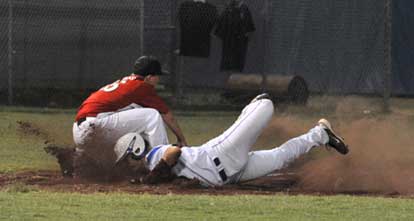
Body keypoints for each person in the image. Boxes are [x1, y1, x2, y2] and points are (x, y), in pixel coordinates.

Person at [114, 94, 349, 187]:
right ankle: (320, 134)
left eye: (127, 158)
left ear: (135, 149)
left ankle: (254, 103)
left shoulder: (152, 155)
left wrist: (153, 177)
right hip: (232, 173)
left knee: (266, 106)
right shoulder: (149, 169)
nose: (128, 163)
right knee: (281, 157)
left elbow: (173, 152)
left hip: (222, 154)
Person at [72, 55, 187, 175]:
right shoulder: (142, 87)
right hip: (96, 126)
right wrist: (181, 139)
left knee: (139, 111)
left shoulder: (127, 83)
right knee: (152, 115)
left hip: (81, 131)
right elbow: (168, 116)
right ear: (149, 77)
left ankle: (84, 161)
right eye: (157, 76)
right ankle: (162, 163)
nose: (158, 79)